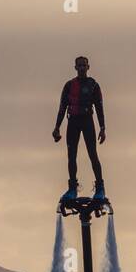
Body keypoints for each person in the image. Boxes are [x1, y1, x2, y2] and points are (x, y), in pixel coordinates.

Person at [52, 55, 106, 201]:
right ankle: (72, 188)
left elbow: (99, 107)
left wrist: (102, 127)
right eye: (79, 65)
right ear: (75, 67)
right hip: (73, 122)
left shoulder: (93, 85)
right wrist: (57, 127)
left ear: (88, 67)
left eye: (84, 65)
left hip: (87, 120)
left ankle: (100, 187)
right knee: (71, 155)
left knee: (92, 154)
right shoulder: (69, 86)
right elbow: (62, 108)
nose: (82, 68)